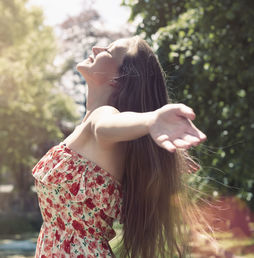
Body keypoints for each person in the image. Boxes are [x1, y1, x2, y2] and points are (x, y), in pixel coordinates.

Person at [32, 36, 207, 258]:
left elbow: (106, 126)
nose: (96, 47)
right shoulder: (91, 129)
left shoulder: (102, 117)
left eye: (110, 50)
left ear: (117, 78)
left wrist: (151, 120)